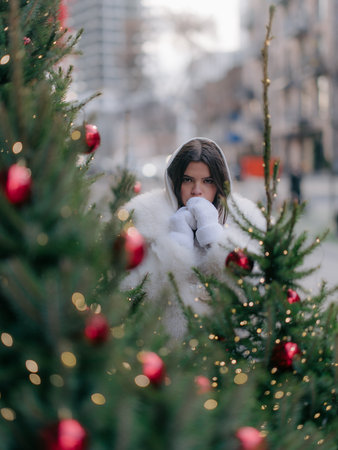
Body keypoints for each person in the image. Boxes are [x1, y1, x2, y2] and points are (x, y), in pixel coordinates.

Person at [120, 137, 265, 339]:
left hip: (227, 349)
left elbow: (257, 293)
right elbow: (132, 295)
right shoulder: (144, 216)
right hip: (165, 347)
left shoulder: (246, 217)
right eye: (188, 180)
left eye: (208, 181)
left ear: (220, 183)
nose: (197, 190)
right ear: (175, 181)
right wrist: (177, 246)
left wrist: (218, 241)